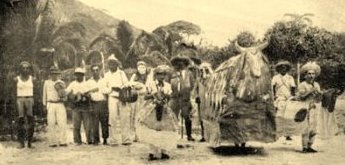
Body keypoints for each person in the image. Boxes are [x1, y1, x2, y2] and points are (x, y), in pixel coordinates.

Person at [103, 54, 131, 145]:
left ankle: (125, 139)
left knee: (124, 118)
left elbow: (127, 84)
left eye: (113, 64)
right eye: (110, 64)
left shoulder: (121, 73)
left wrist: (121, 87)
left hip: (122, 97)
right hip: (112, 98)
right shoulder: (106, 75)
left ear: (116, 64)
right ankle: (114, 140)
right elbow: (103, 88)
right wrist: (111, 89)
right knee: (113, 119)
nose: (112, 66)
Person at [296, 62, 322, 153]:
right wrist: (310, 91)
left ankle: (310, 145)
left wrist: (320, 94)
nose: (311, 76)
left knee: (314, 128)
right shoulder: (302, 85)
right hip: (305, 107)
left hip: (314, 107)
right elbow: (301, 97)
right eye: (309, 74)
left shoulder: (317, 85)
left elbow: (319, 99)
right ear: (305, 75)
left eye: (313, 74)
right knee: (305, 128)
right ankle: (304, 147)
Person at [170, 56, 196, 141]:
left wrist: (186, 92)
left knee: (187, 117)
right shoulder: (172, 73)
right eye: (178, 63)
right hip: (174, 98)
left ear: (185, 64)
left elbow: (192, 85)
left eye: (182, 63)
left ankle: (189, 135)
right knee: (174, 117)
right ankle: (174, 135)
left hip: (185, 99)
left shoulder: (189, 74)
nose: (180, 64)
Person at [42, 66, 68, 147]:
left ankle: (63, 141)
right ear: (50, 74)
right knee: (51, 123)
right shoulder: (46, 82)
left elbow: (65, 96)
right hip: (50, 103)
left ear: (58, 74)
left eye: (56, 74)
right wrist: (44, 105)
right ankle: (52, 142)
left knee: (62, 122)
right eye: (52, 74)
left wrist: (63, 98)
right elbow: (44, 95)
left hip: (60, 103)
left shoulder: (61, 83)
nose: (54, 75)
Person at [66, 67, 92, 145]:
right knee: (76, 124)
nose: (78, 76)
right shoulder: (72, 84)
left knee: (87, 125)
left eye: (80, 75)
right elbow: (67, 92)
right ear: (75, 75)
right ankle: (77, 140)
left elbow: (90, 94)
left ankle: (89, 140)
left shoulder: (86, 84)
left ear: (83, 75)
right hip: (76, 106)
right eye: (77, 75)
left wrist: (85, 95)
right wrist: (74, 96)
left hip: (85, 105)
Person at [271, 60, 296, 141]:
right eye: (281, 67)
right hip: (279, 98)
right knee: (279, 115)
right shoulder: (275, 78)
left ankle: (288, 134)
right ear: (279, 69)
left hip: (288, 98)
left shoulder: (290, 78)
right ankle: (277, 133)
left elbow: (293, 88)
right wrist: (274, 96)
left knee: (289, 116)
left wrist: (293, 97)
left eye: (285, 67)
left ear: (287, 69)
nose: (283, 69)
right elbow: (273, 88)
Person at [85, 64, 109, 145]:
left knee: (104, 121)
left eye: (97, 70)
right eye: (93, 70)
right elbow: (85, 93)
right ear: (91, 72)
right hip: (94, 103)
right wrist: (91, 91)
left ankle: (105, 139)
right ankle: (96, 139)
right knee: (94, 122)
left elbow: (109, 90)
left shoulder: (104, 80)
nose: (95, 72)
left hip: (103, 103)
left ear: (99, 71)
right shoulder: (88, 82)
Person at [145, 65, 173, 131]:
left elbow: (170, 97)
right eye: (160, 75)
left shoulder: (167, 85)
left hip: (164, 110)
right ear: (156, 75)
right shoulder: (150, 84)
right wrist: (153, 95)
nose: (162, 77)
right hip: (151, 110)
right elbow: (145, 97)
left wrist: (166, 95)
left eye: (163, 75)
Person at [14, 61, 36, 149]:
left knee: (31, 121)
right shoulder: (16, 79)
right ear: (20, 69)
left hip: (30, 99)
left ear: (29, 69)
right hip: (20, 99)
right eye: (23, 68)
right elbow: (12, 91)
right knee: (20, 121)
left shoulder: (32, 79)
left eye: (27, 68)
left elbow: (36, 91)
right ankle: (21, 142)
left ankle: (30, 142)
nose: (25, 70)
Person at [128, 61, 150, 142]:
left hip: (144, 99)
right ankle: (134, 136)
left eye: (143, 67)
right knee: (134, 116)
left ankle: (142, 136)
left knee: (143, 117)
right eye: (140, 67)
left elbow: (146, 87)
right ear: (137, 68)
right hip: (135, 99)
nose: (142, 69)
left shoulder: (148, 76)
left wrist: (140, 86)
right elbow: (130, 84)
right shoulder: (134, 75)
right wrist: (137, 84)